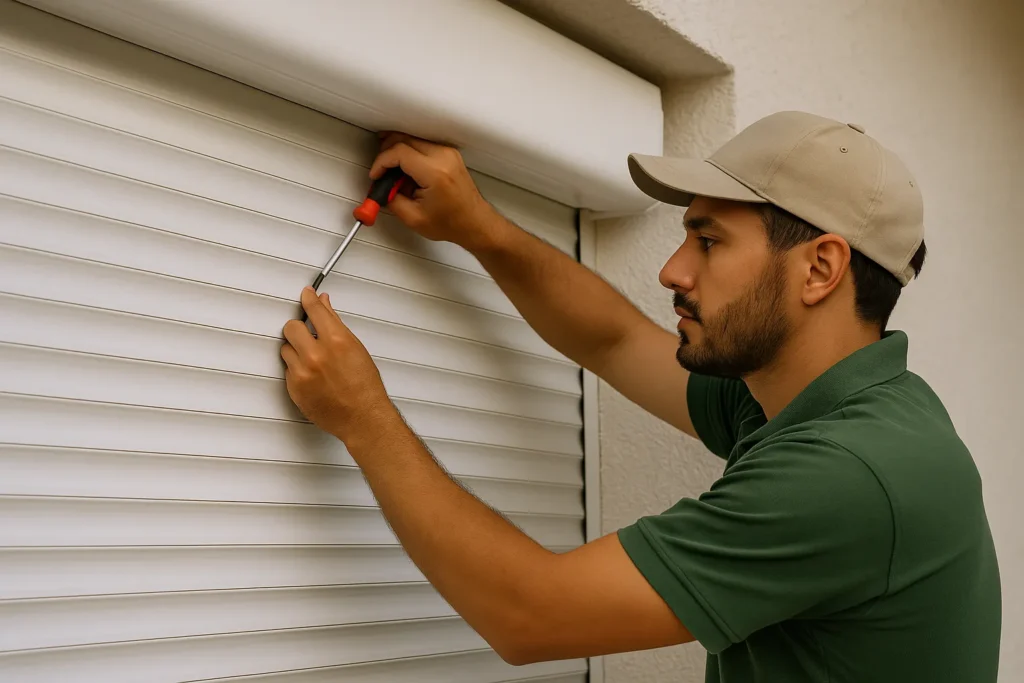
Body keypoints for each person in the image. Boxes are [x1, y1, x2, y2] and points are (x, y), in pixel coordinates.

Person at [280, 111, 1001, 683]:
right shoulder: (814, 400)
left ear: (820, 268)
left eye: (709, 241)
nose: (671, 270)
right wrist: (479, 227)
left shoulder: (848, 472)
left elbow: (531, 615)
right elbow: (616, 341)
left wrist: (364, 418)